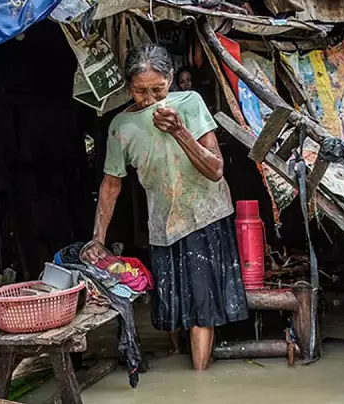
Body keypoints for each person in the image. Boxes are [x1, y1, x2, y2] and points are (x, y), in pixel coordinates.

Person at [83, 44, 248, 371]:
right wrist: (97, 239)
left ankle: (199, 381)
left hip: (206, 214)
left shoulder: (189, 103)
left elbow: (215, 170)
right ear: (128, 87)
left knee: (203, 307)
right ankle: (178, 363)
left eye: (157, 89)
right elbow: (110, 185)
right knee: (171, 308)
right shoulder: (120, 126)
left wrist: (179, 131)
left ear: (170, 79)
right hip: (163, 222)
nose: (149, 99)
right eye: (140, 91)